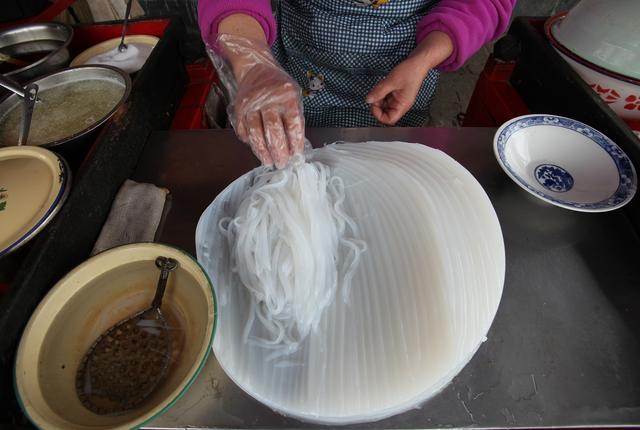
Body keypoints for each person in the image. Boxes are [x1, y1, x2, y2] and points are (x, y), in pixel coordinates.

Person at [198, 0, 516, 168]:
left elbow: (482, 3)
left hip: (407, 72)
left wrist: (424, 59)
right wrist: (254, 66)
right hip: (296, 75)